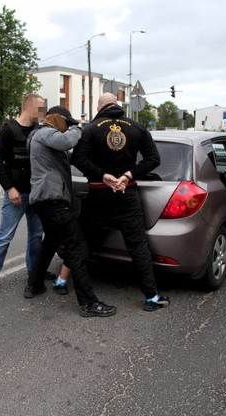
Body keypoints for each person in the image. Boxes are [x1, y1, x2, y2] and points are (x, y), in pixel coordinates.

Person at [71, 93, 169, 312]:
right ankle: (151, 297)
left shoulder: (90, 129)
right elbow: (154, 159)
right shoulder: (137, 127)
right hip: (127, 195)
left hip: (97, 194)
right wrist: (128, 174)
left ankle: (83, 297)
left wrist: (102, 175)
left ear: (99, 106)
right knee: (138, 246)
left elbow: (77, 159)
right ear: (117, 105)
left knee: (84, 244)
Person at [25, 105, 116, 317]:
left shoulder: (40, 136)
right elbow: (68, 141)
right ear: (57, 119)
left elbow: (69, 152)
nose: (68, 128)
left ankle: (34, 285)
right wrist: (81, 127)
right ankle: (88, 303)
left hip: (45, 199)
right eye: (67, 123)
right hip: (53, 200)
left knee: (51, 242)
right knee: (76, 247)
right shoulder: (46, 133)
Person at [0, 93, 46, 294]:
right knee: (5, 236)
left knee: (36, 236)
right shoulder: (9, 130)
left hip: (36, 194)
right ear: (29, 107)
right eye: (41, 108)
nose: (43, 112)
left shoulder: (39, 130)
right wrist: (9, 188)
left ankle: (34, 272)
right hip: (16, 194)